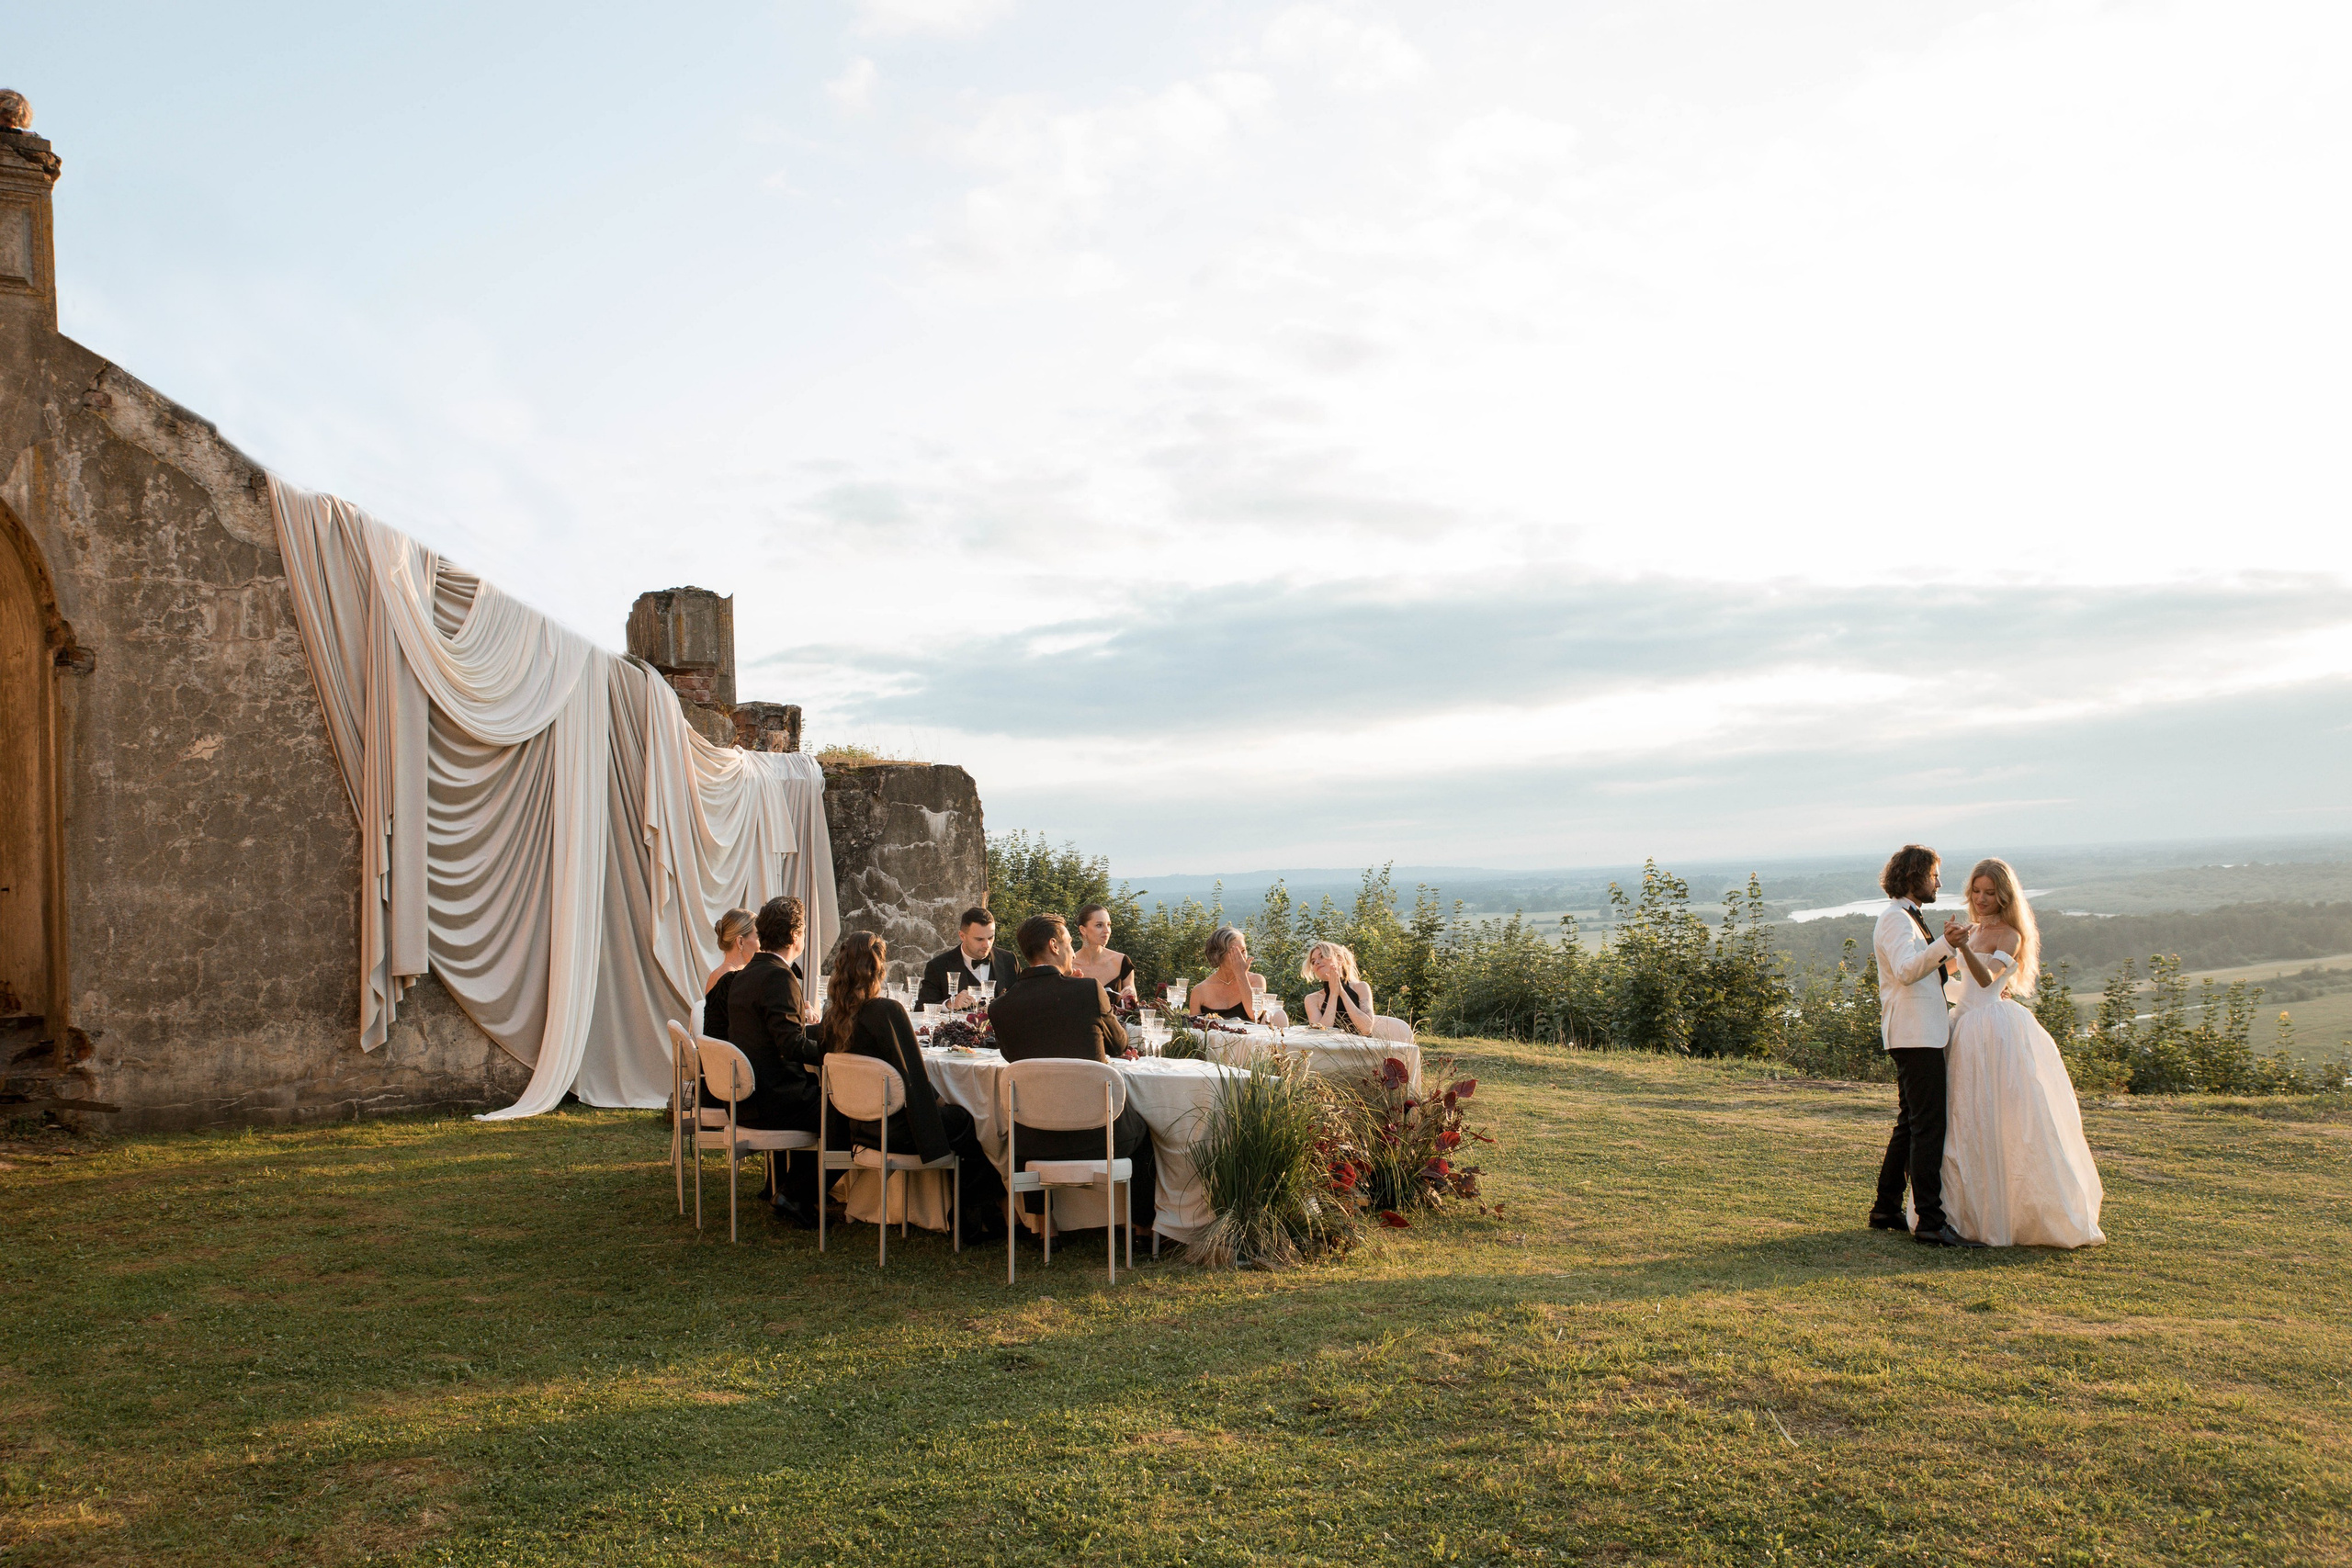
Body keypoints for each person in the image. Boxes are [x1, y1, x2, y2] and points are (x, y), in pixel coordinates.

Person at [1939, 859, 2106, 1247]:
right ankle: (1964, 1212)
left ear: (2004, 895)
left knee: (2005, 1116)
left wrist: (1961, 946)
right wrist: (1946, 944)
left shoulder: (2010, 935)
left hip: (1994, 1030)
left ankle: (2017, 1211)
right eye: (1976, 892)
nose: (1981, 899)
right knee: (1965, 1117)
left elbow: (1986, 978)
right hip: (1964, 1028)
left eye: (1990, 893)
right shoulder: (1973, 930)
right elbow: (1944, 971)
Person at [819, 931, 1007, 1240]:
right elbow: (915, 1076)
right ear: (880, 970)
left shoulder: (834, 1016)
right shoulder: (887, 1011)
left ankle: (980, 1218)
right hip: (901, 1130)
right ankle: (971, 1222)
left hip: (860, 1126)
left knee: (960, 1123)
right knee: (967, 1122)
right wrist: (941, 1103)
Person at [988, 913, 1156, 1235]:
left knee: (1024, 1118)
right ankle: (1141, 1228)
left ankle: (1043, 1227)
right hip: (1101, 1137)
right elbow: (1119, 1045)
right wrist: (1089, 994)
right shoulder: (1087, 990)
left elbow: (1016, 1061)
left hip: (1036, 1139)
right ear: (1053, 946)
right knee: (1148, 1129)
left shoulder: (1001, 1007)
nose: (1069, 950)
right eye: (1067, 943)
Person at [1869, 844, 1983, 1247]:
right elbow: (1904, 971)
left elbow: (1930, 973)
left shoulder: (1910, 919)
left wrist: (1961, 948)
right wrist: (1944, 946)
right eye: (1935, 875)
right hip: (1915, 1035)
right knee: (1928, 1128)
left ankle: (1885, 1208)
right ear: (1915, 875)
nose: (1939, 882)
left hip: (1919, 1032)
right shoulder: (1896, 920)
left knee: (1909, 1123)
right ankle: (1931, 1223)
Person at [722, 896, 827, 1226]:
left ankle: (787, 1187)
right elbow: (792, 1046)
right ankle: (795, 1193)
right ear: (795, 934)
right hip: (775, 1100)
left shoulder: (746, 973)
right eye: (805, 930)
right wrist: (834, 1048)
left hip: (745, 1098)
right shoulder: (779, 977)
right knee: (847, 1111)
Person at [920, 908, 1022, 1011]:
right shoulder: (938, 966)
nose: (987, 945)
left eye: (991, 937)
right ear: (962, 936)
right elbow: (920, 1008)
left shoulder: (1009, 960)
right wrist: (950, 1004)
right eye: (979, 939)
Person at [700, 907, 758, 1041]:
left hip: (714, 1056)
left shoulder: (715, 974)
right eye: (759, 936)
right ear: (740, 941)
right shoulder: (734, 979)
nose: (762, 944)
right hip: (731, 1059)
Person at [1185, 925, 1262, 1021]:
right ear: (1218, 955)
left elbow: (1254, 1014)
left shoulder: (1256, 980)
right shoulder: (1199, 991)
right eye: (1235, 952)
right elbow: (1194, 1030)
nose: (1241, 957)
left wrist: (1241, 975)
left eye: (1243, 951)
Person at [1300, 942, 1374, 1033]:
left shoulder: (1361, 987)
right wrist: (1333, 995)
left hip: (1360, 1046)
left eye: (1322, 956)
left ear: (1340, 959)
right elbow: (1319, 1035)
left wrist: (1342, 992)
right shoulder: (1312, 999)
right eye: (1313, 961)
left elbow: (1366, 1029)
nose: (1317, 962)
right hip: (1328, 1047)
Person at [1069, 903, 1136, 1002]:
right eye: (1099, 925)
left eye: (1108, 925)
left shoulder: (1122, 962)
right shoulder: (1069, 966)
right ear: (1083, 930)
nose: (1107, 931)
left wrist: (1132, 997)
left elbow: (1134, 1011)